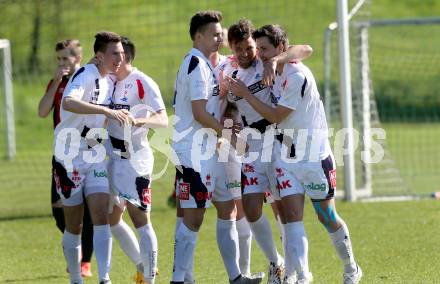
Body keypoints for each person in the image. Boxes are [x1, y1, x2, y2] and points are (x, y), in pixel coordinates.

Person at [227, 24, 362, 284]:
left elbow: (276, 115)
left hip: (313, 156)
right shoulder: (271, 69)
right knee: (291, 217)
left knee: (326, 216)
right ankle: (301, 276)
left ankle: (350, 268)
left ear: (281, 49)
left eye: (265, 49)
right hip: (286, 156)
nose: (261, 55)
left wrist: (245, 93)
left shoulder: (296, 75)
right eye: (260, 49)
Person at [171, 10, 262, 284]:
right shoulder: (195, 64)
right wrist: (228, 132)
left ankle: (236, 277)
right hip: (193, 152)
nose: (219, 36)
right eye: (214, 33)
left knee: (228, 210)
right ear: (198, 36)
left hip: (212, 147)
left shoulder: (211, 64)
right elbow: (199, 113)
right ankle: (178, 279)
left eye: (220, 32)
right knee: (194, 218)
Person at [220, 19, 312, 284]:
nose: (246, 54)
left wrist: (274, 60)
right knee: (250, 208)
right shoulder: (229, 74)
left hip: (276, 140)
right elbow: (228, 112)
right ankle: (276, 262)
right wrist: (231, 137)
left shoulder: (265, 60)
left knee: (283, 208)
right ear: (232, 50)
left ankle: (294, 272)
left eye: (249, 48)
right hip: (251, 146)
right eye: (239, 49)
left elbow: (305, 49)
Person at [53, 31, 129, 284]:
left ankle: (104, 278)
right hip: (68, 156)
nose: (120, 57)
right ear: (99, 56)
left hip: (94, 156)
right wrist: (104, 110)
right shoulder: (85, 74)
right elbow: (69, 103)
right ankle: (76, 279)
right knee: (73, 224)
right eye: (114, 53)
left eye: (121, 53)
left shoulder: (109, 81)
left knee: (100, 214)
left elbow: (103, 119)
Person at [106, 36, 168, 284]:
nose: (112, 58)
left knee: (140, 218)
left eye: (115, 54)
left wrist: (141, 120)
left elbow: (163, 119)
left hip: (136, 159)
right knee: (111, 219)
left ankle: (150, 279)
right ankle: (142, 266)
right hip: (111, 157)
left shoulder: (143, 82)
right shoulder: (108, 81)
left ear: (124, 56)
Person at [38, 39, 94, 278]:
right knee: (58, 210)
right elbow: (42, 112)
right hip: (61, 156)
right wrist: (56, 82)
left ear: (77, 59)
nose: (61, 63)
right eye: (59, 59)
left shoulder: (87, 81)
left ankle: (85, 262)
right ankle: (76, 247)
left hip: (85, 153)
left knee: (90, 212)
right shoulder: (57, 83)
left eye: (65, 58)